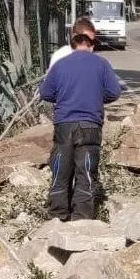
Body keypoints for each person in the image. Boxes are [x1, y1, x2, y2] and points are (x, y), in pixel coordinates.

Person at [39, 31, 122, 221]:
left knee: (61, 171)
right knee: (85, 173)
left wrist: (62, 97)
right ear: (92, 45)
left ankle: (58, 216)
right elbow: (114, 92)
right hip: (90, 126)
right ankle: (82, 220)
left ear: (72, 45)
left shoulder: (60, 65)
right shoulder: (101, 64)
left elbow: (45, 93)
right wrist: (97, 97)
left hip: (64, 125)